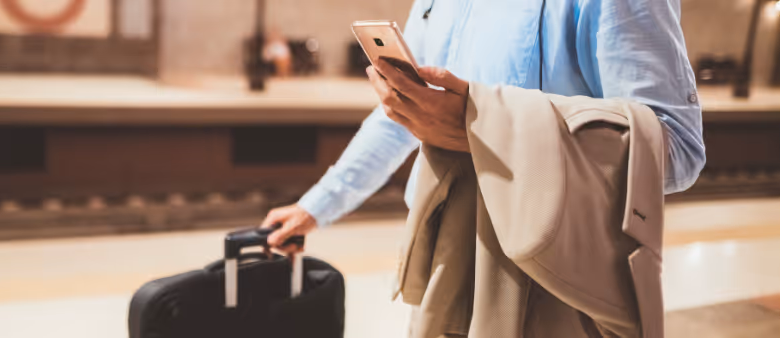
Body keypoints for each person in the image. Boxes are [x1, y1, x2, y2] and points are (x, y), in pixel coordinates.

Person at [260, 0, 704, 253]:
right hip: (437, 251)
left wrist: (491, 132)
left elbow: (675, 150)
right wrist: (318, 205)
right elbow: (405, 115)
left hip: (551, 267)